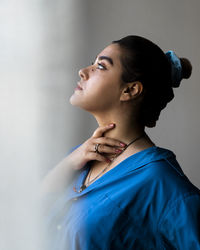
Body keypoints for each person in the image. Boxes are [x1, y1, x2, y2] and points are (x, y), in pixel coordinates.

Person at [41, 35, 200, 250]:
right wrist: (68, 164)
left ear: (130, 90)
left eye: (100, 66)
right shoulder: (79, 159)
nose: (83, 71)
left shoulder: (161, 183)